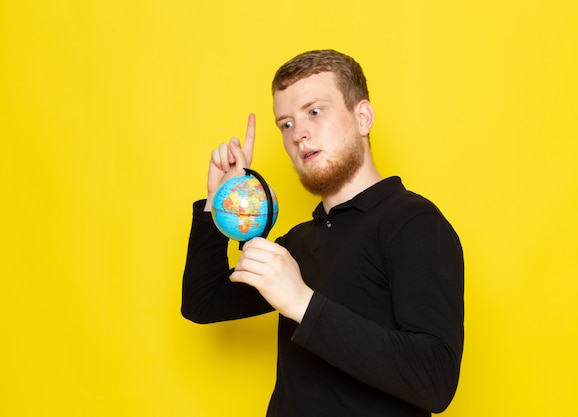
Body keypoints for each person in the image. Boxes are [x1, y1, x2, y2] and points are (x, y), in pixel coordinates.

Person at [181, 49, 464, 417]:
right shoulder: (299, 243)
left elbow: (435, 381)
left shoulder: (414, 223)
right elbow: (203, 303)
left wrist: (302, 302)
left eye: (314, 111)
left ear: (362, 117)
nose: (298, 133)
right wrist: (221, 203)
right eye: (285, 124)